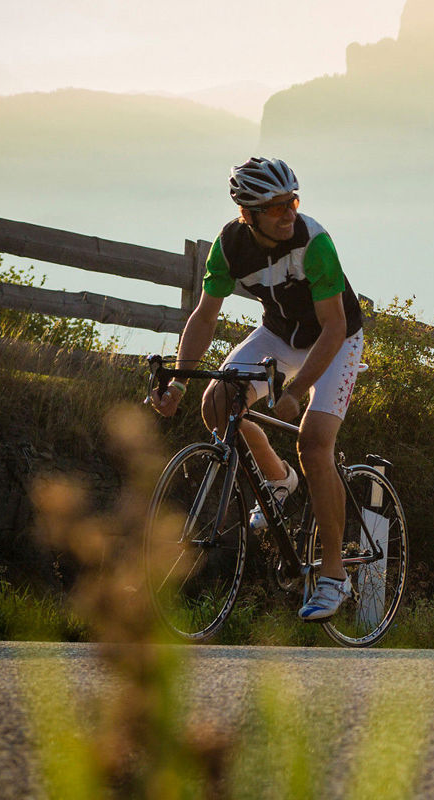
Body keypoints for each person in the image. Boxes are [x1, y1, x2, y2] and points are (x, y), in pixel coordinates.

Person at [147, 156, 366, 622]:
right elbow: (204, 316)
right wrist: (180, 384)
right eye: (276, 207)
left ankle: (333, 577)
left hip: (337, 340)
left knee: (314, 442)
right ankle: (278, 478)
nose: (289, 214)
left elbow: (333, 328)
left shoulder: (315, 242)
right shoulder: (228, 248)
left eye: (292, 201)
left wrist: (294, 393)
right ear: (248, 214)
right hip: (280, 335)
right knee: (217, 404)